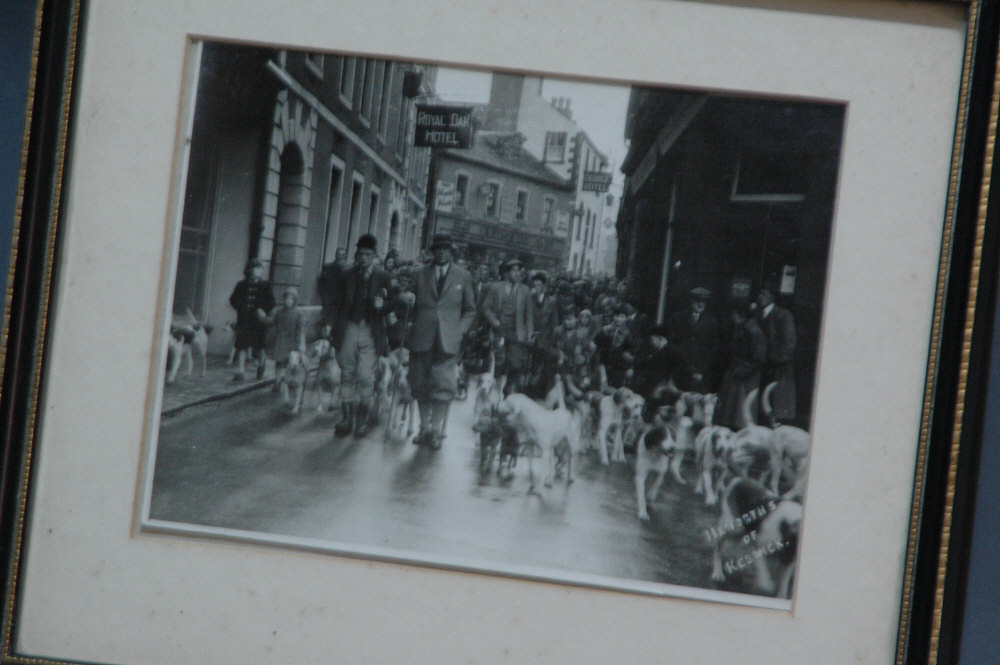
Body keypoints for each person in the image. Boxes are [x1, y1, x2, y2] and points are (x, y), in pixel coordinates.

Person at [401, 233, 477, 449]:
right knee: (420, 384)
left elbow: (470, 310)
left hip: (448, 341)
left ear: (451, 252)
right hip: (422, 337)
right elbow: (407, 297)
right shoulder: (419, 273)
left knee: (443, 386)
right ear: (432, 252)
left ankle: (435, 430)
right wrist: (406, 297)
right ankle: (424, 428)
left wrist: (459, 331)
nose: (442, 252)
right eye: (438, 249)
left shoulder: (463, 276)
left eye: (446, 249)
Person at [326, 234, 392, 437]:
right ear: (356, 254)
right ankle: (346, 419)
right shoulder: (346, 275)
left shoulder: (384, 276)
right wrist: (328, 324)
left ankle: (362, 420)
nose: (363, 258)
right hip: (348, 327)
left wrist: (384, 305)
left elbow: (394, 304)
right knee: (347, 373)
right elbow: (333, 302)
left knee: (365, 376)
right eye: (360, 254)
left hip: (371, 330)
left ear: (374, 255)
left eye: (368, 254)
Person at [480, 258, 534, 394]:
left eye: (519, 270)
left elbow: (529, 315)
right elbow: (485, 308)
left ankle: (508, 388)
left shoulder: (525, 290)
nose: (517, 273)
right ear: (507, 272)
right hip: (499, 331)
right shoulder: (496, 288)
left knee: (515, 364)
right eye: (513, 270)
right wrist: (495, 322)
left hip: (516, 333)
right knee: (499, 361)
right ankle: (495, 389)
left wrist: (530, 333)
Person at [716, 301, 767, 430]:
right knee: (733, 414)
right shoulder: (743, 329)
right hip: (738, 375)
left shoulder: (753, 332)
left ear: (737, 315)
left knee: (740, 415)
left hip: (745, 378)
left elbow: (758, 358)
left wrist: (741, 371)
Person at [228, 258, 275, 382]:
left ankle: (261, 365)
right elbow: (233, 299)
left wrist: (263, 310)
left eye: (261, 269)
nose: (260, 271)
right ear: (250, 270)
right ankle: (240, 371)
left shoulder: (265, 285)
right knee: (242, 345)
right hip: (244, 320)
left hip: (258, 321)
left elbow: (271, 302)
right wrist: (240, 306)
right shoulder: (241, 285)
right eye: (257, 268)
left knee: (259, 346)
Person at [756, 286, 797, 423]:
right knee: (762, 410)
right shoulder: (757, 315)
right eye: (759, 294)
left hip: (779, 370)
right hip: (762, 370)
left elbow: (789, 345)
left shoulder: (783, 315)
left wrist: (771, 358)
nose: (760, 297)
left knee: (777, 411)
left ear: (772, 297)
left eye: (764, 294)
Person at [668, 287, 720, 393]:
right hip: (682, 369)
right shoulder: (679, 317)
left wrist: (701, 371)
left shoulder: (711, 321)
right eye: (698, 301)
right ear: (691, 301)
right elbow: (674, 343)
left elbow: (713, 348)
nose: (701, 305)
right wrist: (686, 367)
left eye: (703, 302)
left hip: (701, 372)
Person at [593, 303, 635, 390]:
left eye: (622, 316)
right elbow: (595, 346)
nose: (618, 319)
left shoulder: (628, 334)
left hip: (619, 368)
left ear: (626, 318)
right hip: (603, 365)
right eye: (616, 316)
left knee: (616, 389)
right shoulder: (605, 330)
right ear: (613, 316)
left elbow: (631, 352)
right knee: (601, 387)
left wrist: (630, 367)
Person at [317, 247, 349, 333]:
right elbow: (321, 282)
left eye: (342, 255)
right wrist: (323, 295)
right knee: (326, 322)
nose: (340, 256)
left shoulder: (348, 269)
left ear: (345, 256)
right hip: (329, 300)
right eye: (339, 254)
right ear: (335, 255)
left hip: (342, 302)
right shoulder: (327, 267)